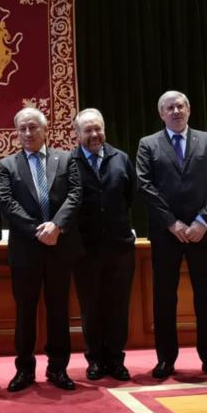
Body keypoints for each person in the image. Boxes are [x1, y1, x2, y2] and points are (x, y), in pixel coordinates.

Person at [136, 90, 207, 380]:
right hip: (167, 234)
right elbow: (145, 185)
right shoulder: (148, 144)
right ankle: (166, 359)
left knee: (206, 297)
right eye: (169, 107)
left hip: (202, 233)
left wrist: (203, 220)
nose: (175, 111)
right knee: (165, 298)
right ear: (161, 113)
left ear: (189, 110)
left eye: (180, 106)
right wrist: (172, 223)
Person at [0, 107, 83, 392]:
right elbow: (7, 203)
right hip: (26, 250)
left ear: (45, 129)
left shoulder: (66, 158)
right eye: (21, 129)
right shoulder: (7, 165)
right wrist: (39, 229)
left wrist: (56, 226)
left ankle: (58, 369)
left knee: (59, 310)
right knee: (25, 312)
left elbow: (75, 194)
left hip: (60, 246)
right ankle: (24, 370)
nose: (27, 133)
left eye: (32, 127)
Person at [71, 108, 137, 382]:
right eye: (88, 130)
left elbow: (130, 195)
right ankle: (95, 359)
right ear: (77, 135)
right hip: (85, 250)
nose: (94, 135)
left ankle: (116, 359)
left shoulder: (120, 158)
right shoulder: (69, 163)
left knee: (118, 306)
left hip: (119, 248)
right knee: (92, 307)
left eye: (98, 129)